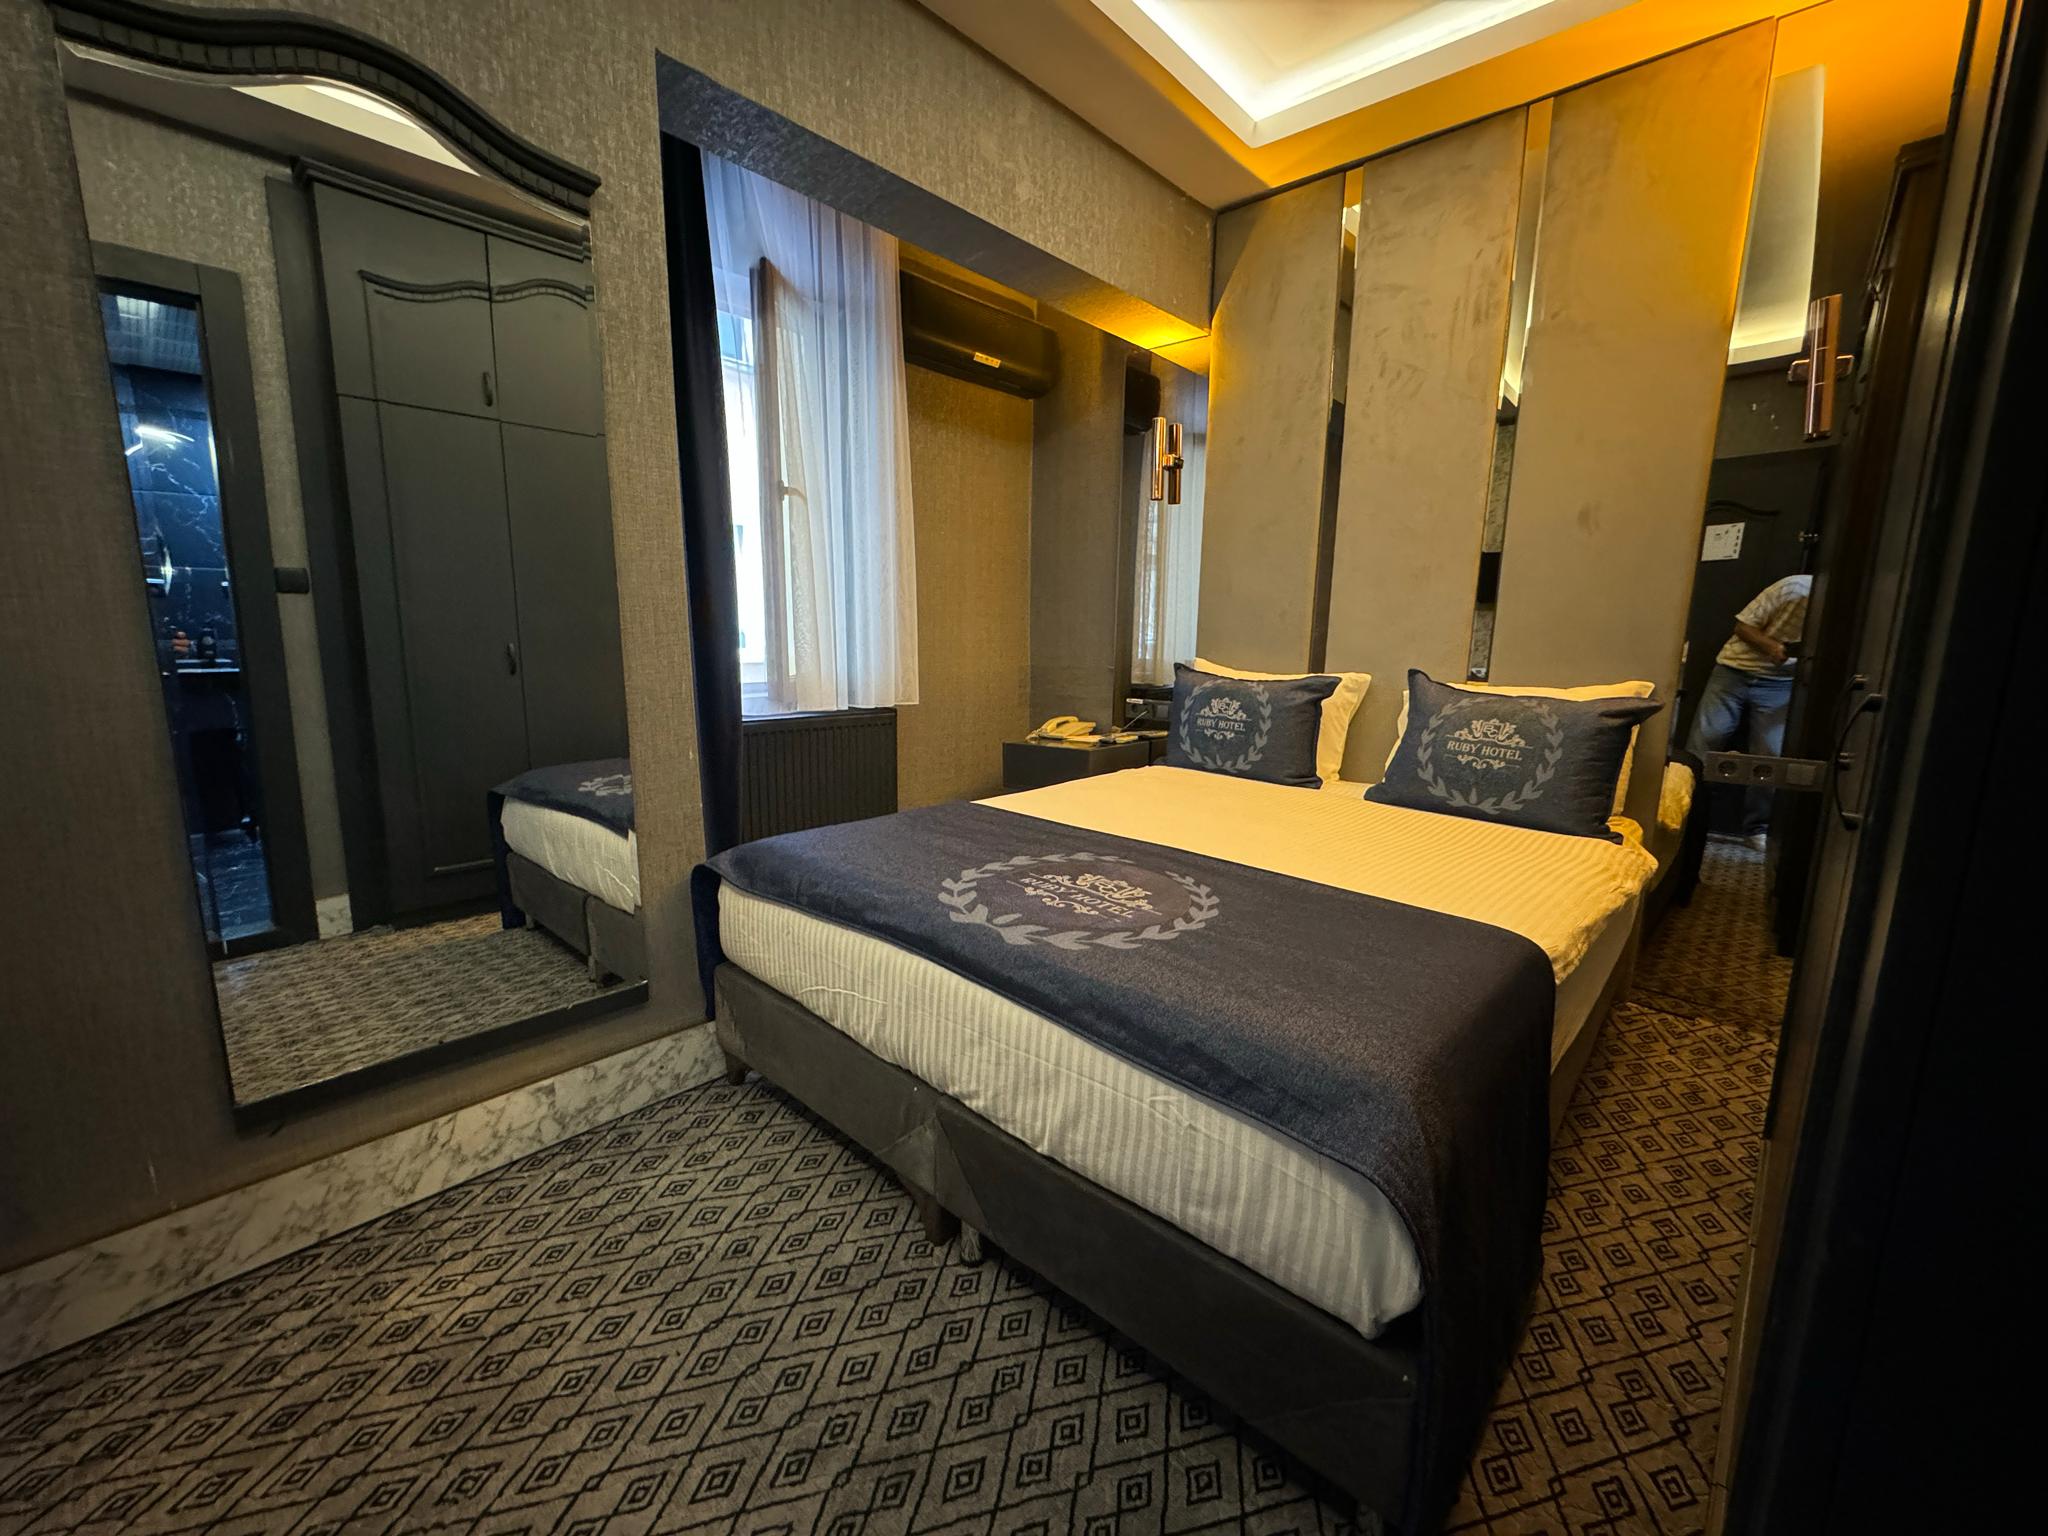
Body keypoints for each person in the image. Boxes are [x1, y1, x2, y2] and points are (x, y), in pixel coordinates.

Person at [1687, 572, 1812, 842]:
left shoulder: (1842, 612)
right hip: (1734, 670)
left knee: (1771, 755)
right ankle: (1688, 815)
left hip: (1780, 683)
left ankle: (1757, 828)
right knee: (1706, 741)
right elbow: (1743, 627)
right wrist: (1772, 647)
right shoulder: (1793, 587)